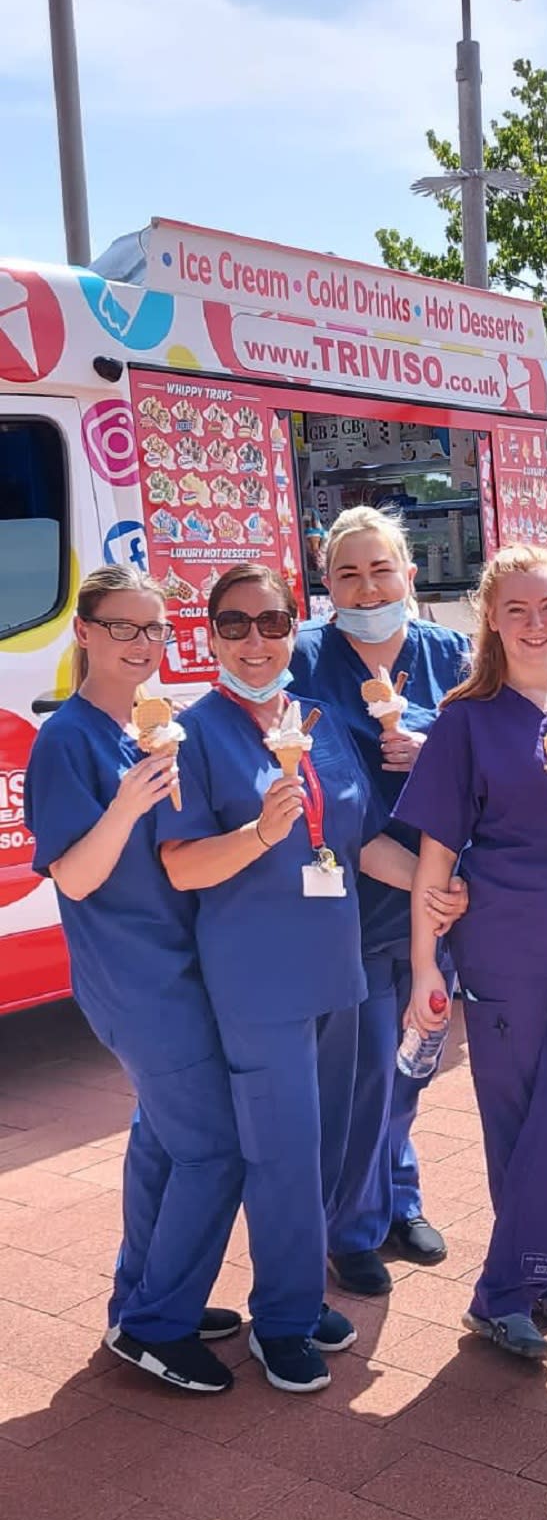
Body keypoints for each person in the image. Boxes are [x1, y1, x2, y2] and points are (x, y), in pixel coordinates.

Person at [159, 563, 463, 1394]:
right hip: (259, 980)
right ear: (210, 633)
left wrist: (434, 884)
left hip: (336, 969)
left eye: (270, 622)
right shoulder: (198, 732)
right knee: (285, 1154)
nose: (254, 641)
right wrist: (259, 835)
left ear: (295, 626)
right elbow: (182, 865)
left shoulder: (318, 720)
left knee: (324, 1145)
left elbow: (360, 842)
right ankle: (283, 1320)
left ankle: (295, 1293)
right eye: (234, 624)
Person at [22, 565, 244, 1396]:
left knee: (161, 1141)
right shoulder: (69, 739)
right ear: (83, 632)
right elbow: (74, 879)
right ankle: (156, 1328)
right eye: (125, 629)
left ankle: (143, 1299)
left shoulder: (151, 726)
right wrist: (126, 802)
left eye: (155, 630)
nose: (144, 646)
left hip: (178, 965)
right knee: (214, 1148)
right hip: (136, 976)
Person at [400, 544, 547, 1360]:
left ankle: (506, 1288)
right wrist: (427, 963)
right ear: (491, 618)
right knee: (517, 1117)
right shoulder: (467, 717)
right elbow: (434, 849)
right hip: (500, 942)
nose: (536, 625)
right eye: (517, 610)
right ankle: (545, 1274)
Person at [290, 506, 470, 1296]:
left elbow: (486, 753)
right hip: (353, 900)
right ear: (326, 584)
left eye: (381, 569)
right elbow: (313, 782)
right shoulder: (303, 657)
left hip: (439, 905)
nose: (367, 586)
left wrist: (429, 742)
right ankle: (350, 1226)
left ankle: (398, 1196)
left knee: (413, 1061)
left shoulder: (449, 654)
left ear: (409, 572)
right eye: (348, 572)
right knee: (360, 1069)